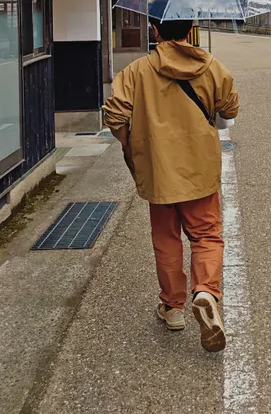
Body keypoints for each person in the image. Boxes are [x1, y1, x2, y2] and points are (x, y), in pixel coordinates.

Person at [102, 18, 239, 352]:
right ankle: (206, 292)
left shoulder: (136, 71)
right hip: (199, 167)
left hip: (158, 170)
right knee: (206, 234)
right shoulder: (211, 66)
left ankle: (173, 307)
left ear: (155, 31)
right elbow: (230, 108)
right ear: (191, 28)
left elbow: (115, 116)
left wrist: (131, 145)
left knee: (166, 238)